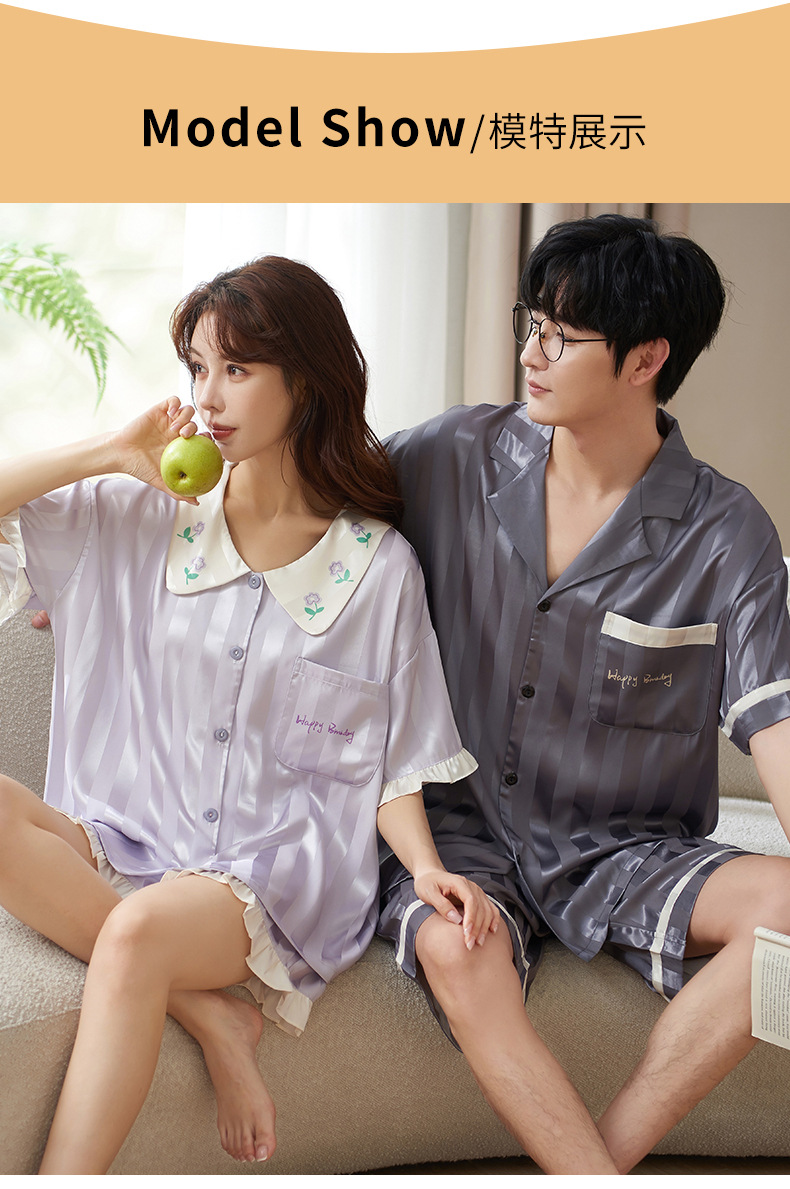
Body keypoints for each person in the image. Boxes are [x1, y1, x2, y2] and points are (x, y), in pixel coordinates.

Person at [0, 255, 499, 1174]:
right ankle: (210, 1015)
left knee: (138, 932)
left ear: (304, 379)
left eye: (237, 367)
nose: (208, 395)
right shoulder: (143, 512)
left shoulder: (374, 567)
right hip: (129, 830)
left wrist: (428, 867)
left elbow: (391, 753)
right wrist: (109, 452)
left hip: (268, 865)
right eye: (198, 366)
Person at [378, 213, 790, 1172]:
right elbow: (300, 511)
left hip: (625, 847)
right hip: (461, 834)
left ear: (647, 358)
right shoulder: (446, 457)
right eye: (532, 323)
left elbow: (777, 717)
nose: (531, 353)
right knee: (454, 946)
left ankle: (603, 1159)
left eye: (562, 337)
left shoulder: (727, 533)